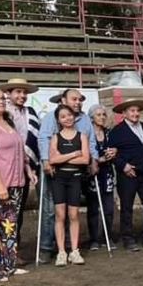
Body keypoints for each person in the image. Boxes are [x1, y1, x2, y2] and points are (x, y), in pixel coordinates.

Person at [0, 87, 37, 281]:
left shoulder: (8, 123)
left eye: (1, 98)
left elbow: (20, 151)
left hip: (17, 183)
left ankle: (9, 265)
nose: (0, 101)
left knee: (10, 226)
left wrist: (28, 171)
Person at [37, 88, 98, 263]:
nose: (78, 102)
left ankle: (72, 246)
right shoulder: (51, 117)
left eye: (80, 99)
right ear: (63, 100)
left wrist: (93, 160)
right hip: (55, 170)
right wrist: (46, 161)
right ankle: (47, 247)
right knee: (52, 210)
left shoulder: (85, 119)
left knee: (73, 211)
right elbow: (44, 139)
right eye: (74, 99)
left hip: (77, 172)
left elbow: (91, 140)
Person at [107, 99, 143, 252]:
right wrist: (123, 165)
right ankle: (128, 239)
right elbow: (110, 152)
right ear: (124, 113)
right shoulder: (117, 131)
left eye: (137, 111)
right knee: (127, 207)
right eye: (132, 111)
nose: (135, 113)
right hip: (127, 175)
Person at [0, 78, 40, 262]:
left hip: (24, 166)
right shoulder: (0, 113)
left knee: (17, 211)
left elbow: (33, 140)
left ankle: (13, 250)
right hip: (3, 168)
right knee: (0, 211)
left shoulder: (31, 113)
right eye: (18, 92)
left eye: (24, 93)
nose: (22, 96)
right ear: (9, 94)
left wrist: (30, 166)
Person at [49, 105, 90, 266]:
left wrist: (62, 157)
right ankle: (61, 252)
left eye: (69, 115)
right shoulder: (55, 138)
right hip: (59, 179)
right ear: (59, 120)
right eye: (63, 116)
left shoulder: (82, 137)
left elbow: (85, 159)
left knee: (73, 215)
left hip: (75, 178)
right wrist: (74, 154)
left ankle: (74, 250)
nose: (67, 118)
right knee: (60, 215)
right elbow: (52, 160)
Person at [86, 104, 117, 251]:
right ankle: (93, 239)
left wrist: (114, 152)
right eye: (98, 115)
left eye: (104, 114)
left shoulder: (109, 133)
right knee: (93, 208)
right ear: (92, 117)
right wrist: (100, 159)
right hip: (93, 174)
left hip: (107, 174)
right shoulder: (87, 134)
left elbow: (115, 147)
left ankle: (107, 236)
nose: (102, 117)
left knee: (109, 208)